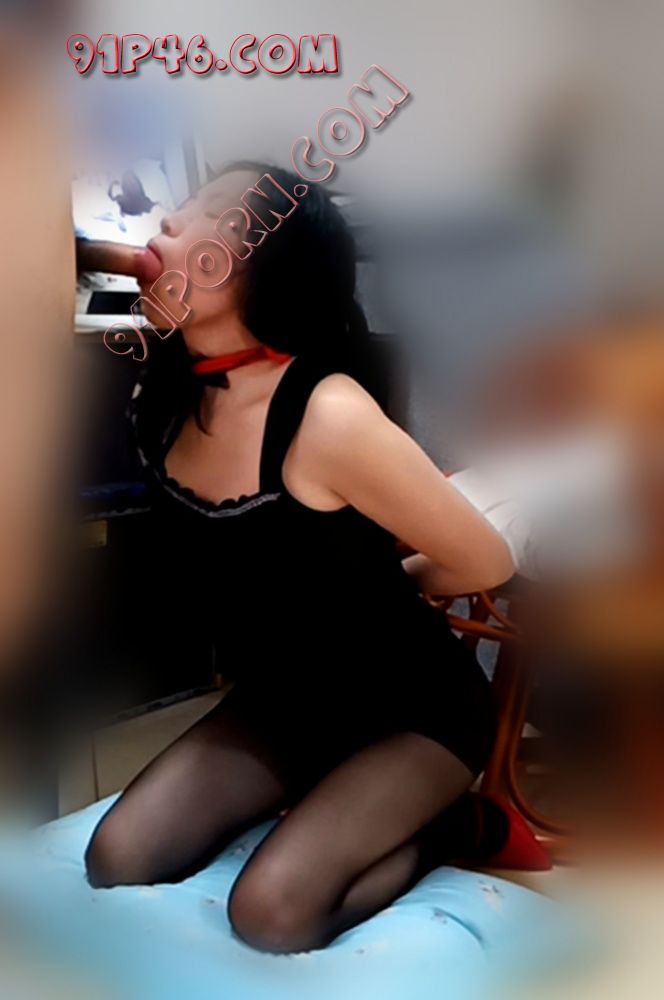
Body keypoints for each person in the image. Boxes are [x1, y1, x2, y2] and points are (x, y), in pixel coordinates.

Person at [84, 162, 538, 955]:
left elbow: (488, 560)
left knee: (271, 914)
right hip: (286, 702)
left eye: (213, 216)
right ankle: (320, 793)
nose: (170, 224)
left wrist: (392, 586)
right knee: (118, 858)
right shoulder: (159, 395)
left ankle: (458, 825)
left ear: (273, 267)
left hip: (413, 710)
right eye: (179, 208)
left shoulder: (328, 414)